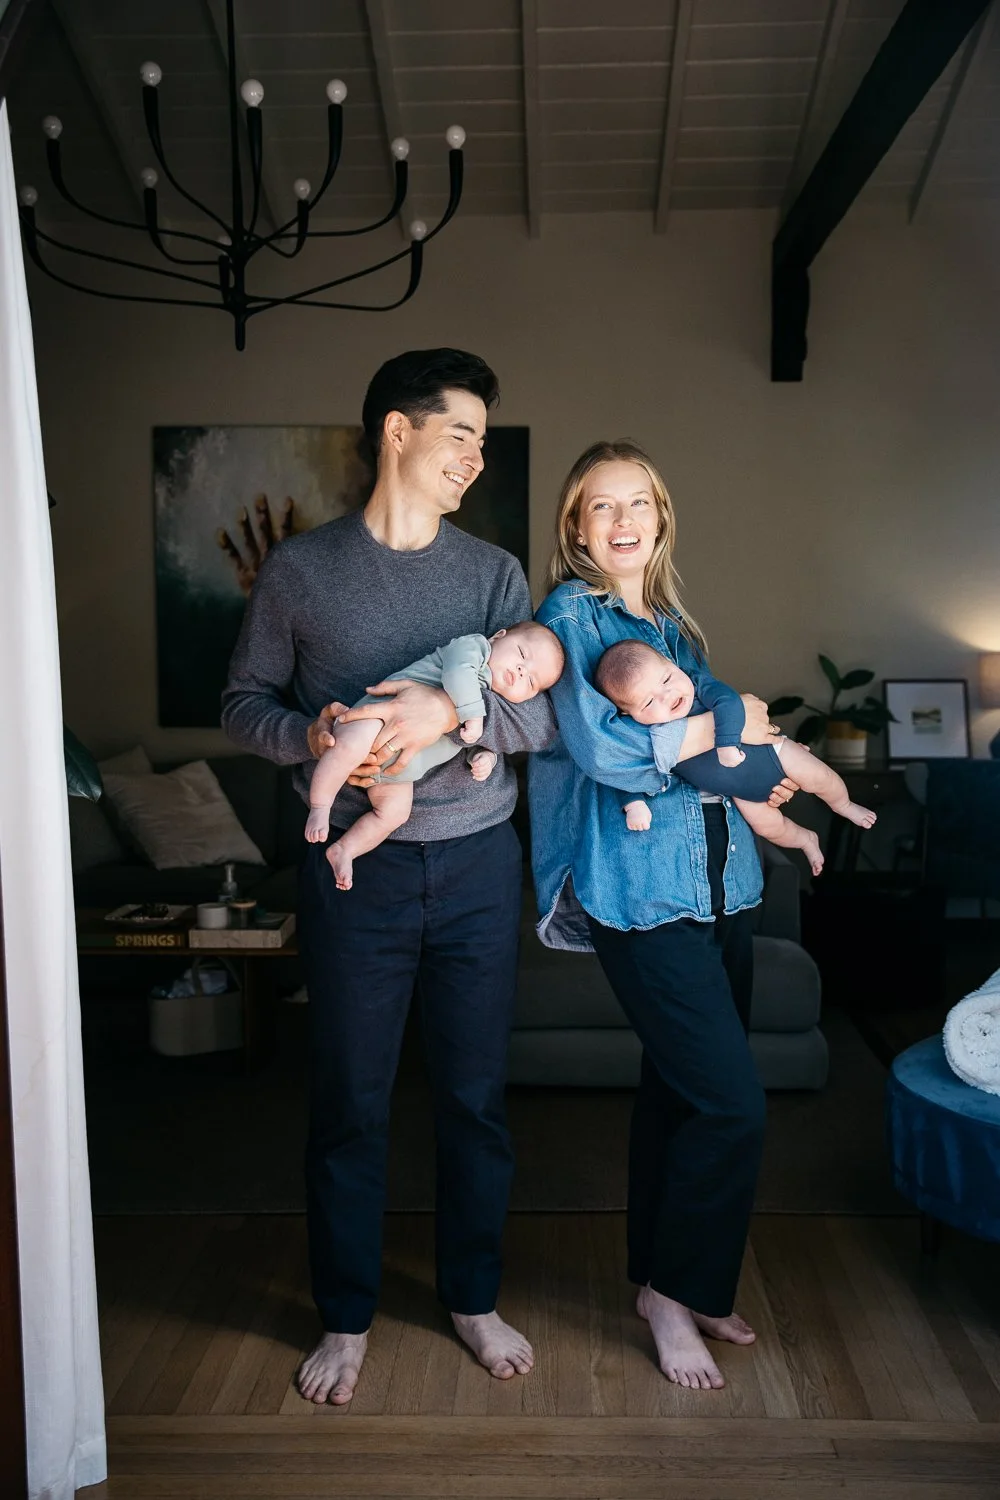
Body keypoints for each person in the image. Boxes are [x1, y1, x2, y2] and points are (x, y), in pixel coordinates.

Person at [221, 349, 556, 1405]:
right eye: (460, 431)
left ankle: (470, 1296)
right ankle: (346, 1316)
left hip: (475, 867)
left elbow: (537, 715)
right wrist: (307, 730)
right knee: (350, 1103)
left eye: (483, 440)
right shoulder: (299, 572)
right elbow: (241, 703)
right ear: (397, 432)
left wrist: (448, 711)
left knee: (473, 1100)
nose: (475, 453)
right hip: (351, 875)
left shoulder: (494, 573)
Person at [530, 438, 798, 1392]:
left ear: (660, 515)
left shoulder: (673, 621)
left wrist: (736, 732)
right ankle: (670, 1297)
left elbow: (710, 744)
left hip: (719, 884)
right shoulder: (570, 614)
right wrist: (736, 722)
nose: (623, 521)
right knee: (733, 1104)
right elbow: (607, 753)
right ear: (575, 526)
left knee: (679, 1096)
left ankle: (681, 1278)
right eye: (601, 507)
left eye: (637, 503)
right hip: (639, 899)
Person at [306, 623, 564, 889]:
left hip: (395, 773)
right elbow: (457, 676)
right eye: (522, 653)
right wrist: (473, 716)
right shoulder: (474, 648)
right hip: (376, 717)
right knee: (346, 748)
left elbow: (474, 739)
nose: (522, 671)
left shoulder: (493, 700)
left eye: (531, 682)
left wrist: (487, 756)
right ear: (498, 636)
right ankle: (320, 806)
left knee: (394, 814)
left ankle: (345, 850)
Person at [593, 638, 876, 876]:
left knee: (820, 778)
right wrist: (634, 803)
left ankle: (844, 804)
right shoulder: (647, 735)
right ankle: (805, 839)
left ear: (673, 665)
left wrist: (726, 743)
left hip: (773, 753)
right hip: (741, 793)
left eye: (666, 679)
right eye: (649, 701)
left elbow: (730, 702)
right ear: (631, 715)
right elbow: (626, 769)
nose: (667, 696)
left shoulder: (700, 686)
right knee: (769, 827)